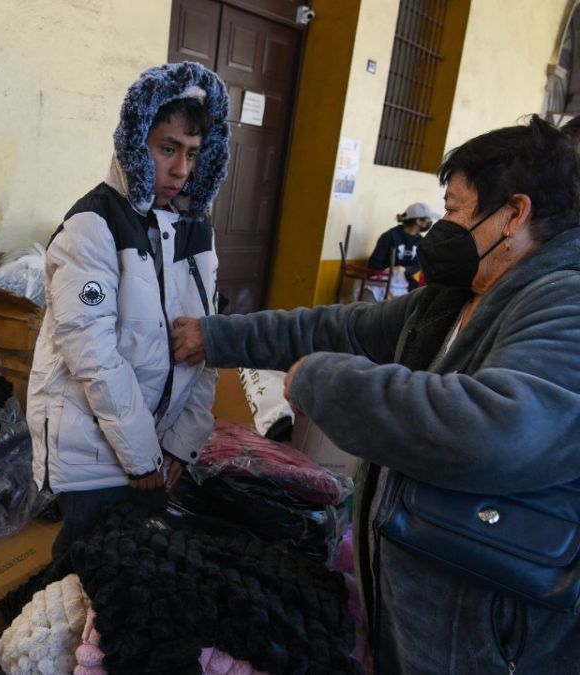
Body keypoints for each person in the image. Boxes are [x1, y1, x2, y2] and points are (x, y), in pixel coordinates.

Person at [171, 115, 580, 673]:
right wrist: (213, 336)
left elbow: (500, 428)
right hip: (419, 613)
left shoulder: (564, 300)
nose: (444, 226)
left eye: (457, 210)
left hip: (491, 630)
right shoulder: (455, 301)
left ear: (514, 214)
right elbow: (335, 327)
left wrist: (325, 381)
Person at [27, 62, 231, 559]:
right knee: (84, 579)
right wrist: (142, 458)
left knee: (129, 583)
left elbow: (208, 341)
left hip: (156, 451)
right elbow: (93, 355)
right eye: (167, 150)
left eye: (192, 154)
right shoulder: (92, 227)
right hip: (95, 453)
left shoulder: (196, 230)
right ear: (135, 144)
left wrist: (181, 443)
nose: (181, 169)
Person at [367, 202, 436, 291]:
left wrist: (404, 269)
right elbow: (374, 264)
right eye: (428, 219)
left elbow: (419, 266)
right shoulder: (390, 236)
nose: (430, 222)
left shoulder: (421, 241)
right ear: (418, 221)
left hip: (408, 285)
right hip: (383, 284)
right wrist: (389, 273)